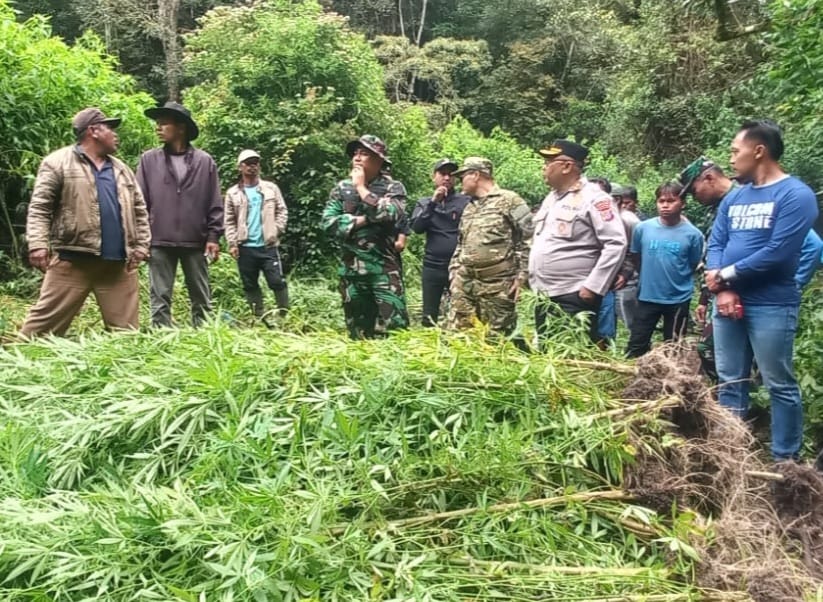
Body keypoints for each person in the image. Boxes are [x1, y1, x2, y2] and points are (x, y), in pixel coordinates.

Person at [706, 119, 818, 461]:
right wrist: (721, 288)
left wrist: (725, 275)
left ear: (759, 151)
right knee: (729, 380)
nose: (731, 159)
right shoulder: (735, 198)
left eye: (734, 151)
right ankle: (731, 454)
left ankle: (786, 462)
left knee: (777, 383)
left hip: (771, 304)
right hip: (727, 302)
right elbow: (717, 242)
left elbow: (778, 252)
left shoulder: (796, 195)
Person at [680, 157, 822, 381]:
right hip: (726, 298)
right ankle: (736, 407)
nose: (693, 198)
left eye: (693, 191)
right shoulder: (718, 208)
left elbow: (812, 245)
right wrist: (707, 298)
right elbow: (715, 256)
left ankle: (751, 406)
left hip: (763, 298)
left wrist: (795, 281)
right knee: (726, 363)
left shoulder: (754, 199)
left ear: (709, 178)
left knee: (756, 367)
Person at [20, 108, 150, 336]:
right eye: (110, 128)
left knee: (128, 336)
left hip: (118, 267)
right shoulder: (57, 163)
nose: (115, 134)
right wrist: (38, 244)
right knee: (37, 334)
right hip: (73, 263)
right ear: (93, 131)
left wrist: (141, 246)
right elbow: (40, 208)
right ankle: (17, 368)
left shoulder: (122, 169)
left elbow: (140, 211)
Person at [529, 140, 626, 346]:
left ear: (566, 166)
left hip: (573, 293)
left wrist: (593, 286)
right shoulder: (552, 198)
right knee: (548, 353)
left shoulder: (595, 198)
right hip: (545, 293)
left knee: (571, 357)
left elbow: (616, 243)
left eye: (548, 162)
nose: (543, 167)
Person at [137, 101, 224, 327]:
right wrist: (141, 239)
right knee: (160, 297)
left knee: (201, 298)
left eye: (164, 124)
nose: (158, 128)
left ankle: (205, 341)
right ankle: (162, 341)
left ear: (181, 128)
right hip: (158, 240)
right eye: (157, 124)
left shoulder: (204, 162)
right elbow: (140, 203)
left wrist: (214, 237)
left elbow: (214, 201)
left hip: (196, 240)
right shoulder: (148, 160)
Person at [322, 135, 409, 339]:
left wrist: (361, 188)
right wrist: (365, 220)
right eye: (355, 153)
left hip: (384, 272)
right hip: (351, 272)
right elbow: (328, 224)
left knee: (396, 331)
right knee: (358, 333)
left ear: (380, 160)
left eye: (365, 154)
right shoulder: (342, 188)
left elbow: (390, 214)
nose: (357, 158)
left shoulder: (393, 188)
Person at [447, 157, 533, 338]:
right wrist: (454, 270)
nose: (459, 181)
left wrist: (522, 277)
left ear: (475, 175)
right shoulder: (470, 207)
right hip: (465, 283)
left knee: (497, 338)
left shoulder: (511, 200)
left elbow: (530, 238)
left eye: (462, 176)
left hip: (497, 284)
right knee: (461, 338)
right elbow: (462, 241)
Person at [625, 181, 703, 358]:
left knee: (674, 345)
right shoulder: (643, 229)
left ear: (682, 203)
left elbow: (692, 263)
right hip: (648, 295)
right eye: (661, 201)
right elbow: (636, 256)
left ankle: (671, 381)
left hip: (678, 297)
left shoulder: (693, 234)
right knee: (637, 343)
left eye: (671, 201)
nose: (665, 205)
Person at [224, 149, 289, 321]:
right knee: (249, 284)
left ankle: (284, 316)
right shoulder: (233, 193)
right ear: (240, 167)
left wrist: (276, 230)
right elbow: (229, 220)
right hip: (245, 246)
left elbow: (282, 211)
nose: (252, 167)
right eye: (248, 163)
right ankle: (259, 318)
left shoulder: (271, 188)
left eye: (255, 163)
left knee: (277, 281)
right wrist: (232, 243)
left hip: (268, 245)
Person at [409, 158, 471, 326]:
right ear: (434, 177)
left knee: (460, 313)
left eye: (451, 174)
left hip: (458, 266)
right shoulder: (424, 202)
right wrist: (433, 203)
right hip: (432, 266)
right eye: (442, 174)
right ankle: (429, 346)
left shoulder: (465, 201)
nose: (447, 178)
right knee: (429, 315)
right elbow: (417, 228)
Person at [614, 185, 641, 332]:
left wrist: (626, 273)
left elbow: (636, 252)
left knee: (630, 321)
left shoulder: (631, 221)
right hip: (604, 279)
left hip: (628, 279)